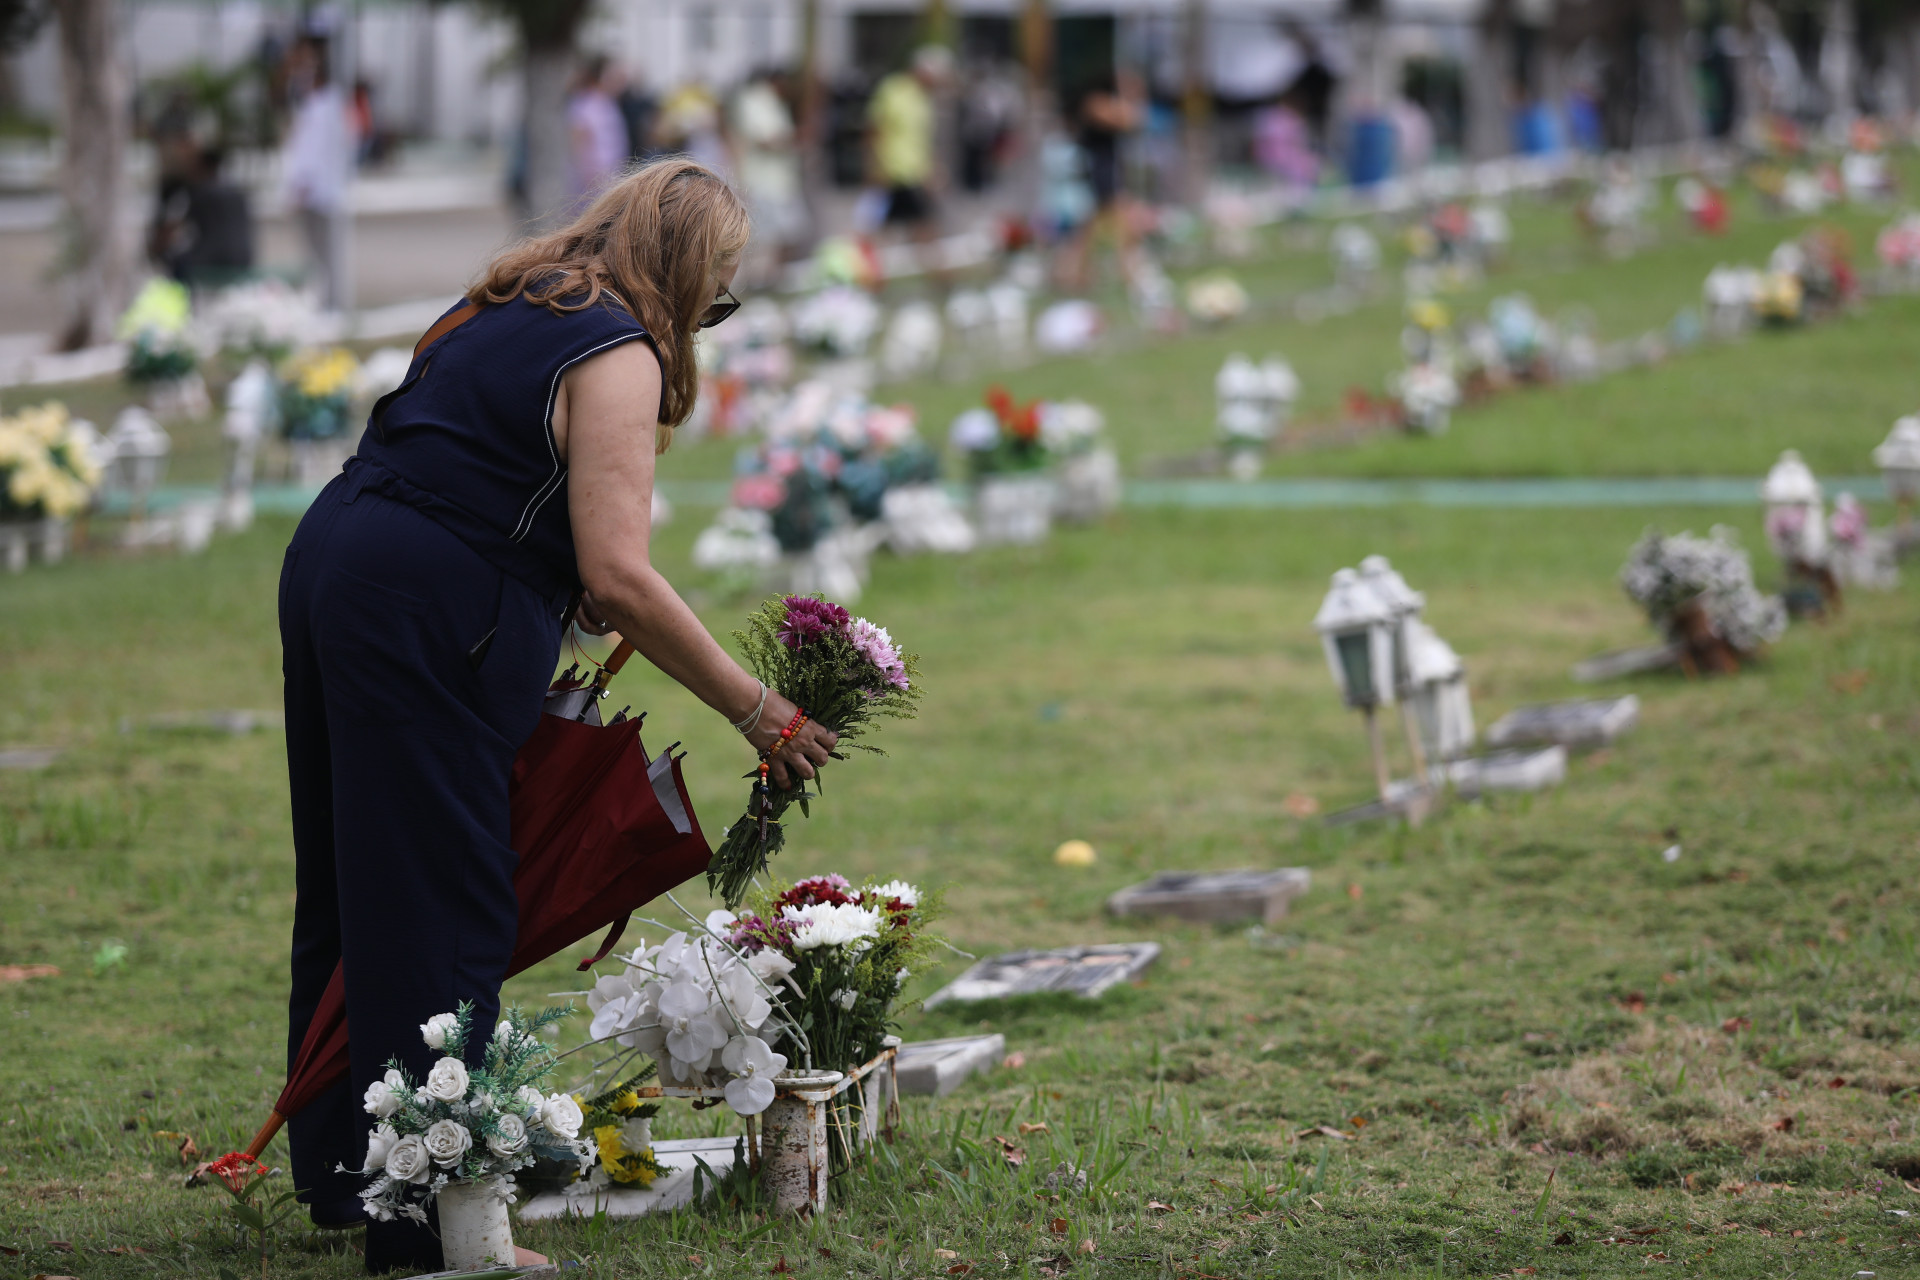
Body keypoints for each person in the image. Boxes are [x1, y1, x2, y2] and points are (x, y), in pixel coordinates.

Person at [277, 158, 838, 1274]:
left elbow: (484, 473)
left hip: (335, 559)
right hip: (428, 604)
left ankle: (350, 1172)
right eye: (714, 298)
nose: (709, 321)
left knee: (357, 881)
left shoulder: (509, 298)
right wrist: (756, 705)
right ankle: (436, 1230)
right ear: (684, 275)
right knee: (447, 899)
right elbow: (619, 574)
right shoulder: (619, 346)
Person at [281, 35, 353, 312]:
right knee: (317, 252)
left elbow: (315, 152)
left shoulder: (327, 104)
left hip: (318, 190)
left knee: (325, 251)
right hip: (314, 189)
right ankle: (327, 301)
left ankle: (333, 304)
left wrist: (301, 185)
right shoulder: (314, 103)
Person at [867, 45, 950, 245]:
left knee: (908, 225)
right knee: (923, 225)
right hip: (895, 171)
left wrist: (933, 169)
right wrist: (875, 165)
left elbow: (922, 140)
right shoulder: (893, 90)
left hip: (915, 173)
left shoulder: (924, 98)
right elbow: (875, 130)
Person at [567, 55, 629, 205]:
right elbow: (578, 140)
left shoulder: (608, 102)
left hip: (611, 176)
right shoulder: (585, 103)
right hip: (592, 180)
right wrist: (587, 172)